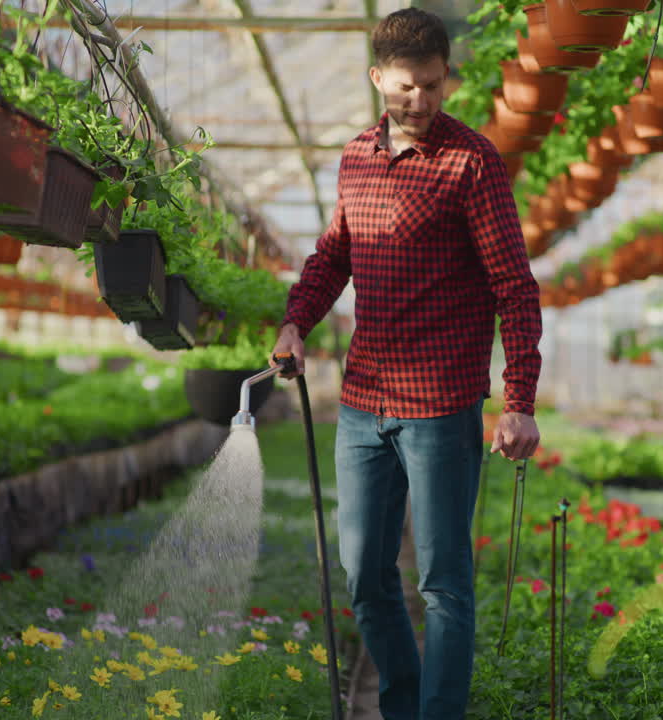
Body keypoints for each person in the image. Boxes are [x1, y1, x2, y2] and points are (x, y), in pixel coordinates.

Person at [269, 7, 542, 719]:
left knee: (444, 583)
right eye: (405, 88)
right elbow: (333, 256)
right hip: (363, 404)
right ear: (376, 79)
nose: (419, 101)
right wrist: (295, 322)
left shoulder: (471, 162)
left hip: (443, 407)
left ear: (445, 77)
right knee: (364, 577)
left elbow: (514, 287)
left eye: (431, 85)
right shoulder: (356, 157)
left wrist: (519, 400)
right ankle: (402, 701)